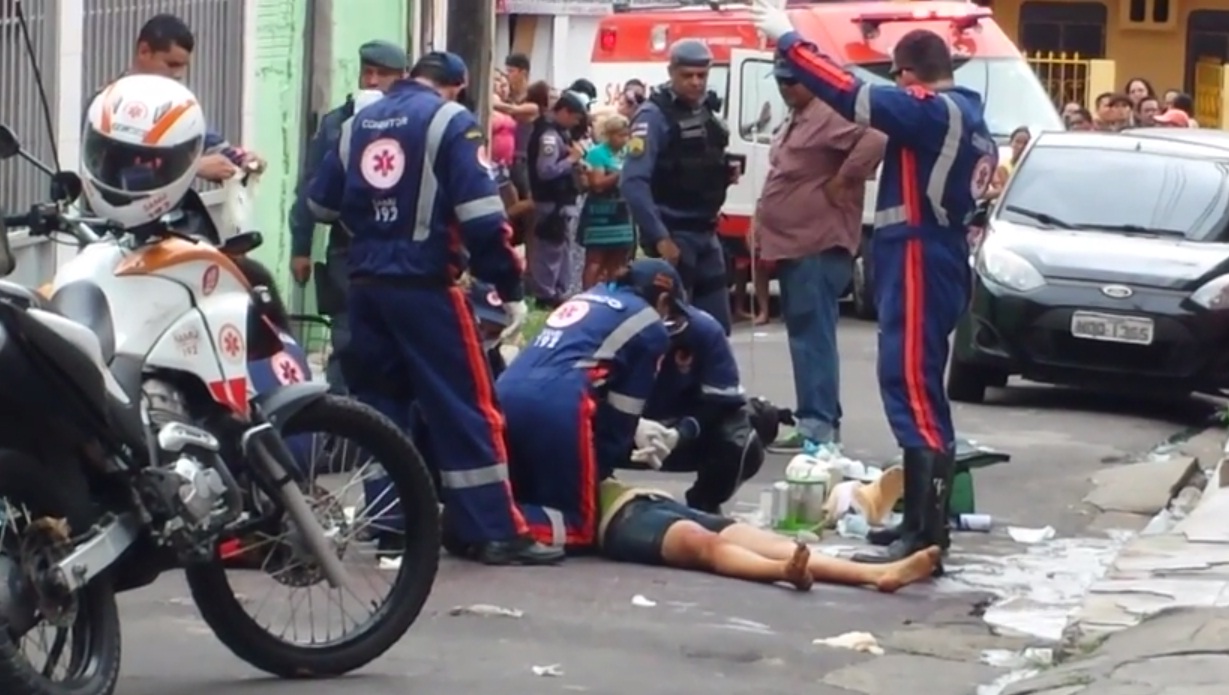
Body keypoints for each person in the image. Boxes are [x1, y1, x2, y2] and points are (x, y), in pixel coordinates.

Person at [751, 1, 995, 572]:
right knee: (919, 389)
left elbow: (852, 95)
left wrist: (790, 42)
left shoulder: (932, 111)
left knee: (911, 387)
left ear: (908, 75)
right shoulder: (968, 118)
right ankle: (922, 523)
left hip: (919, 255)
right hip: (934, 255)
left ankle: (926, 533)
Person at [306, 51, 561, 566]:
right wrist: (507, 285)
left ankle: (390, 525)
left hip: (365, 289)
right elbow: (483, 217)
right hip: (425, 288)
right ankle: (491, 531)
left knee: (381, 409)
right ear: (458, 85)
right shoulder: (451, 121)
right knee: (465, 405)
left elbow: (319, 205)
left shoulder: (358, 124)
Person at [490, 259, 686, 552]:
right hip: (557, 404)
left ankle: (482, 514)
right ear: (663, 300)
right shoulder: (650, 326)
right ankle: (486, 525)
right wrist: (602, 471)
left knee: (527, 493)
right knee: (579, 525)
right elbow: (622, 419)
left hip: (505, 392)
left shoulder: (587, 298)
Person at [756, 58, 885, 456]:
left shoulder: (831, 111)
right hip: (794, 243)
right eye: (781, 82)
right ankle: (818, 417)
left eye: (793, 82)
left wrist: (845, 179)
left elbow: (877, 136)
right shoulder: (798, 114)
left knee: (812, 338)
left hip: (817, 245)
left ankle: (818, 425)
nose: (785, 88)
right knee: (807, 336)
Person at [288, 40, 408, 395]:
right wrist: (301, 247)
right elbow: (310, 188)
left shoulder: (413, 121)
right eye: (367, 72)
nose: (372, 81)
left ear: (401, 78)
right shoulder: (337, 123)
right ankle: (342, 418)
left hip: (398, 248)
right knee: (346, 337)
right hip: (348, 246)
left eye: (382, 74)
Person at [599, 476, 942, 592]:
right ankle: (783, 572)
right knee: (704, 544)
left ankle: (877, 573)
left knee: (772, 542)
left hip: (649, 498)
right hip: (616, 520)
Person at [621, 39, 738, 334]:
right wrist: (660, 237)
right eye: (688, 75)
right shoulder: (653, 116)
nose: (696, 82)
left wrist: (723, 173)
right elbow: (633, 183)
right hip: (674, 233)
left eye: (702, 75)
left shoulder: (705, 111)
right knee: (674, 329)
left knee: (716, 329)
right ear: (671, 72)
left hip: (706, 232)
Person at [636, 303, 766, 513]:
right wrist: (629, 423)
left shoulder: (703, 329)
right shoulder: (606, 327)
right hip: (618, 425)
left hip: (677, 423)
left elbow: (721, 402)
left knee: (742, 434)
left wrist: (680, 433)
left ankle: (705, 501)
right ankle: (590, 502)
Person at [119, 14, 263, 182]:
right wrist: (192, 167)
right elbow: (120, 171)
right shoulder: (109, 104)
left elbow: (205, 139)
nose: (178, 74)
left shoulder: (176, 104)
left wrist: (242, 160)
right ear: (144, 52)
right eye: (172, 64)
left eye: (183, 66)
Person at [525, 91, 589, 308]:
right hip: (551, 201)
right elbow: (546, 170)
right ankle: (546, 293)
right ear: (564, 111)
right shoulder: (549, 136)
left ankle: (559, 290)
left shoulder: (560, 132)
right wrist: (571, 160)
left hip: (561, 200)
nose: (576, 123)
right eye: (575, 118)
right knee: (549, 248)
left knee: (561, 248)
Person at [580, 115, 636, 288]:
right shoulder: (597, 153)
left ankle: (613, 292)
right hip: (600, 210)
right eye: (620, 135)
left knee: (618, 260)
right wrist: (621, 173)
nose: (624, 139)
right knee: (596, 259)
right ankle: (589, 293)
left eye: (627, 135)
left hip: (622, 210)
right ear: (609, 134)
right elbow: (597, 184)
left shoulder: (628, 151)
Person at [986, 126, 1029, 198]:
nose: (1021, 146)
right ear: (1011, 143)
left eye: (1025, 143)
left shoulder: (1034, 168)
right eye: (1017, 142)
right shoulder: (1003, 167)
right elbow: (1005, 192)